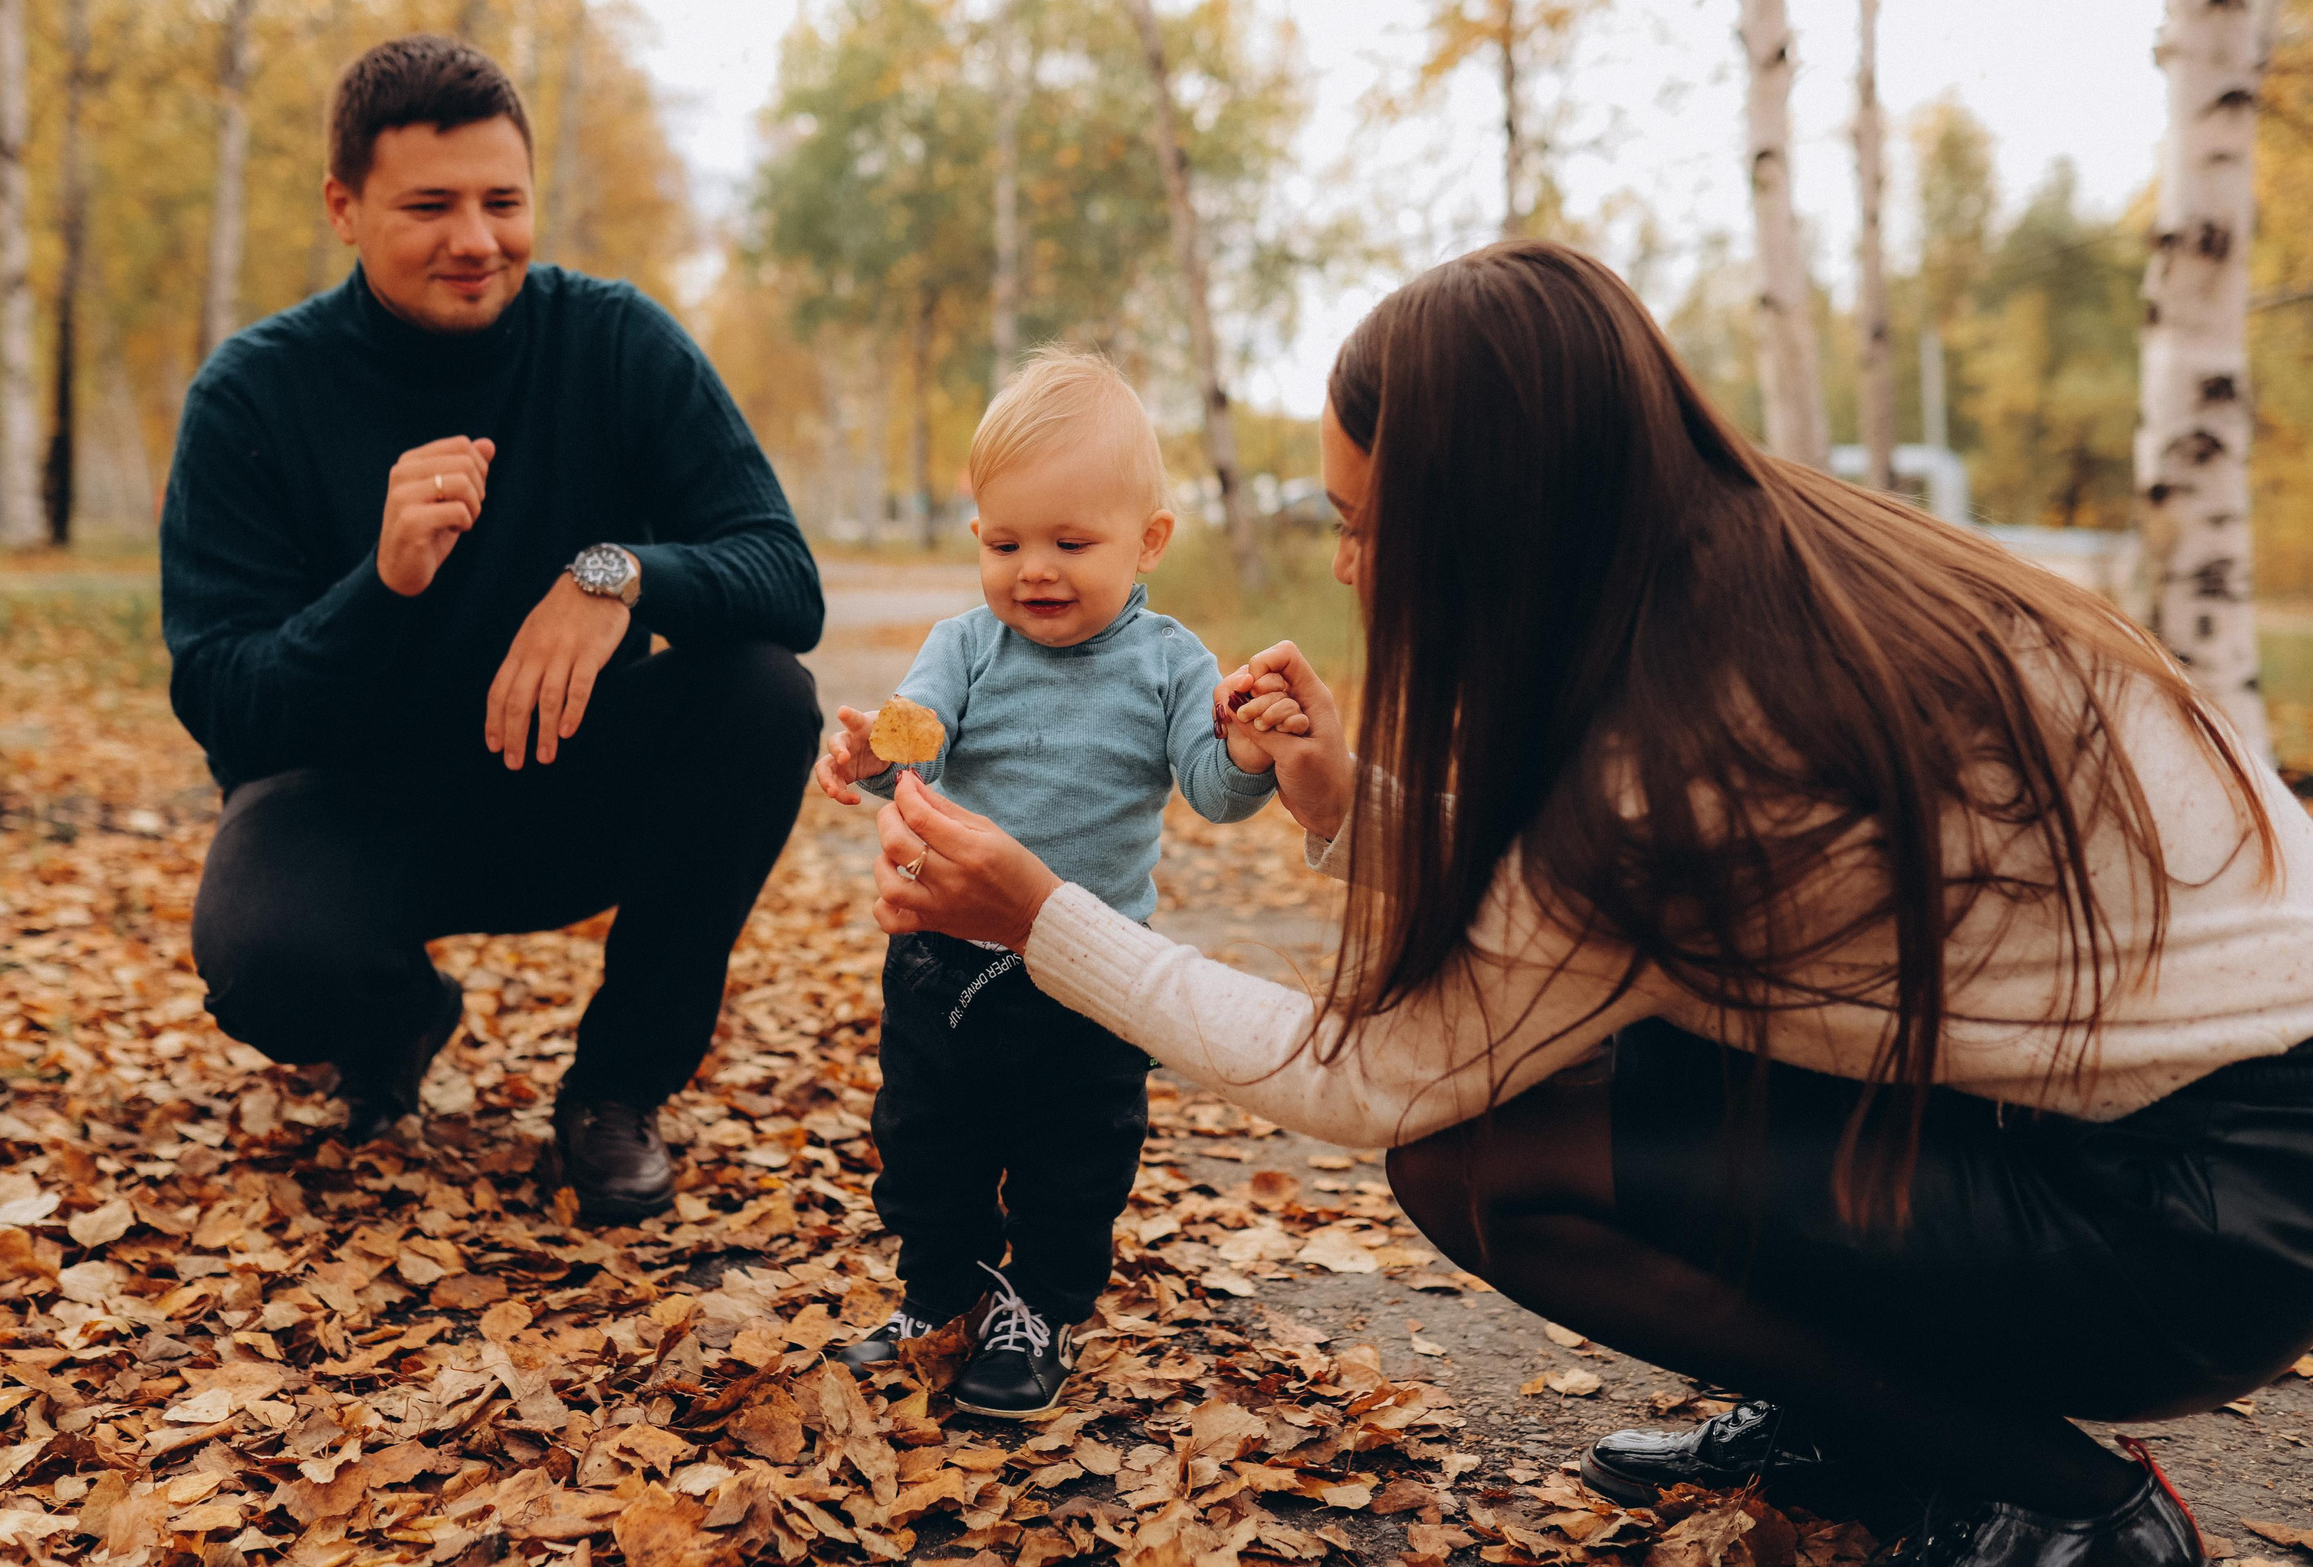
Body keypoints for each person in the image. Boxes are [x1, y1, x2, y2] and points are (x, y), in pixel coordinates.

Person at [865, 241, 2313, 1566]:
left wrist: (1039, 916)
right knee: (1659, 1035)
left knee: (1481, 1160)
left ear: (1497, 519)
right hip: (2145, 1130)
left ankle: (2075, 1511)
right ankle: (1863, 1424)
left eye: (1373, 524)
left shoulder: (1692, 734)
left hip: (2200, 1214)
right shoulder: (1769, 573)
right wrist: (1344, 799)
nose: (1350, 565)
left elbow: (1373, 1075)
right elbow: (1593, 905)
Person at [161, 35, 824, 1222]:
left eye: (501, 201)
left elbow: (783, 576)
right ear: (344, 208)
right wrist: (382, 584)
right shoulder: (254, 396)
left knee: (761, 692)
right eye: (429, 205)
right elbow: (221, 699)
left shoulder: (614, 343)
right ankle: (397, 1015)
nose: (475, 239)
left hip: (567, 786)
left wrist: (615, 572)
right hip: (353, 812)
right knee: (267, 964)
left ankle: (615, 1091)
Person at [810, 351, 1291, 1417]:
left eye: (1072, 544)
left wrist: (1250, 755)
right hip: (944, 957)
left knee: (1070, 1155)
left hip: (1090, 967)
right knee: (925, 1138)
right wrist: (870, 753)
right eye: (1004, 542)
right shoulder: (966, 646)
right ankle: (940, 1290)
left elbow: (1210, 791)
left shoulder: (1169, 663)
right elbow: (917, 734)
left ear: (1147, 540)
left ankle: (1040, 1307)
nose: (1035, 569)